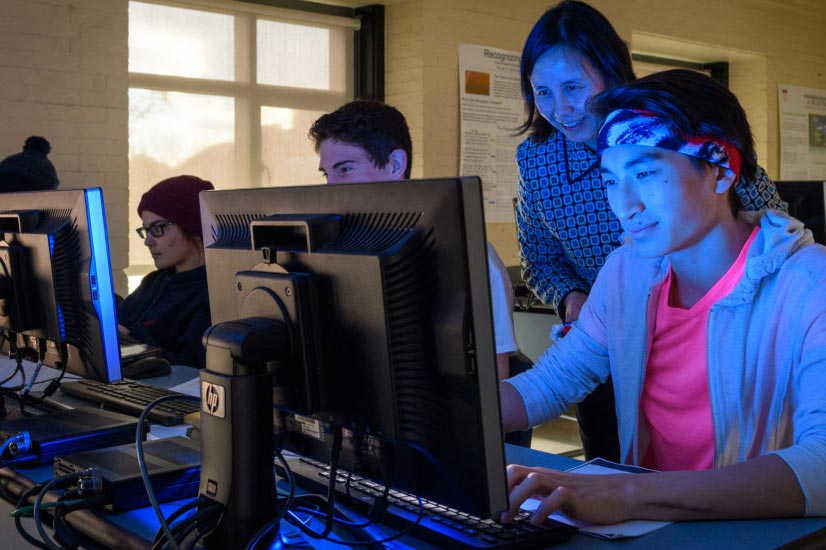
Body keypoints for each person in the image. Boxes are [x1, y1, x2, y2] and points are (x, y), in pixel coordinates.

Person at [499, 69, 826, 526]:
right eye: (611, 180)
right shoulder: (628, 272)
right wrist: (430, 406)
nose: (625, 204)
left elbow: (822, 464)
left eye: (646, 172)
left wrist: (629, 492)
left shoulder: (811, 284)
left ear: (722, 169)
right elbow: (552, 382)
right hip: (656, 528)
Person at [514, 0, 786, 461]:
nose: (560, 109)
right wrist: (577, 301)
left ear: (611, 71)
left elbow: (765, 223)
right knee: (621, 460)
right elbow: (539, 259)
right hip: (609, 336)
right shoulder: (540, 161)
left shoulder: (675, 122)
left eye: (573, 87)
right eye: (542, 93)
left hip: (723, 328)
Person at [309, 100, 520, 381]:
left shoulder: (470, 257)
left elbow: (495, 385)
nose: (330, 187)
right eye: (327, 174)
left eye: (345, 169)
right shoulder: (335, 252)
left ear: (395, 164)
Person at [117, 175, 214, 368]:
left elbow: (188, 369)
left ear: (192, 225)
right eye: (146, 230)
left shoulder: (212, 296)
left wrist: (132, 340)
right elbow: (114, 330)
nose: (148, 241)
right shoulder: (154, 282)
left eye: (159, 228)